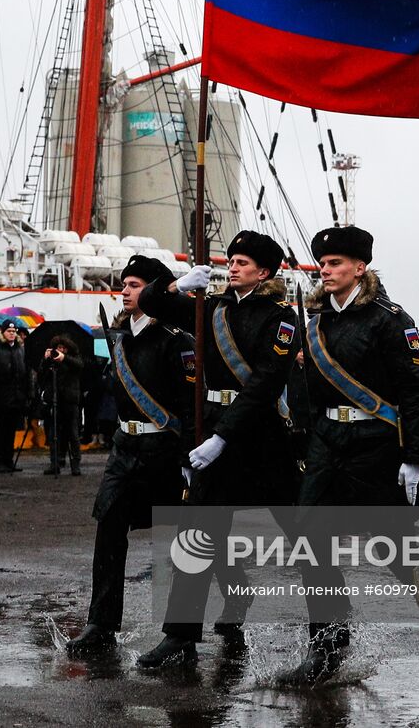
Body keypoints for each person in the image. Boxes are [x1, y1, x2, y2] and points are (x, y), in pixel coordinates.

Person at [287, 225, 419, 683]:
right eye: (322, 264)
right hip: (328, 443)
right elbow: (308, 388)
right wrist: (304, 439)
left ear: (359, 268)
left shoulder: (390, 319)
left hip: (376, 445)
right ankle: (328, 644)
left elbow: (415, 392)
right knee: (310, 542)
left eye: (335, 264)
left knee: (392, 547)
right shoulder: (317, 321)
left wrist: (416, 457)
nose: (325, 271)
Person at [135, 229, 301, 668]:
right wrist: (176, 285)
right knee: (196, 536)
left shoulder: (281, 318)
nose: (233, 267)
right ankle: (180, 635)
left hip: (261, 435)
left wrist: (222, 437)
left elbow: (265, 383)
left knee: (302, 533)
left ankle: (329, 628)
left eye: (243, 263)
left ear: (264, 272)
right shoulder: (211, 308)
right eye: (231, 261)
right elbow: (150, 302)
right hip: (213, 430)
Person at [65, 255, 195, 656]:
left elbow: (190, 406)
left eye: (135, 285)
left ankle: (184, 633)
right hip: (125, 449)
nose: (124, 291)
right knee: (109, 526)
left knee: (183, 540)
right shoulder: (122, 339)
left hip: (164, 449)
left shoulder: (177, 340)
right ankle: (101, 624)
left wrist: (189, 460)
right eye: (124, 284)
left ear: (156, 291)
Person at [0, 320, 29, 473]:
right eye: (9, 331)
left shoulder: (20, 350)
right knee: (0, 431)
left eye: (14, 331)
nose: (12, 334)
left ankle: (9, 460)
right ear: (2, 333)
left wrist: (26, 394)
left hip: (16, 397)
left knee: (11, 431)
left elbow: (25, 373)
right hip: (1, 398)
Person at [38, 334, 84, 477]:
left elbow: (80, 365)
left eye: (64, 348)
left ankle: (75, 464)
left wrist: (65, 358)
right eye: (59, 348)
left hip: (70, 401)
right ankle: (55, 463)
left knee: (73, 434)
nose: (61, 350)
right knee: (54, 434)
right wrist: (45, 360)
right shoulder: (52, 360)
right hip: (55, 400)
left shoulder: (74, 358)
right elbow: (41, 376)